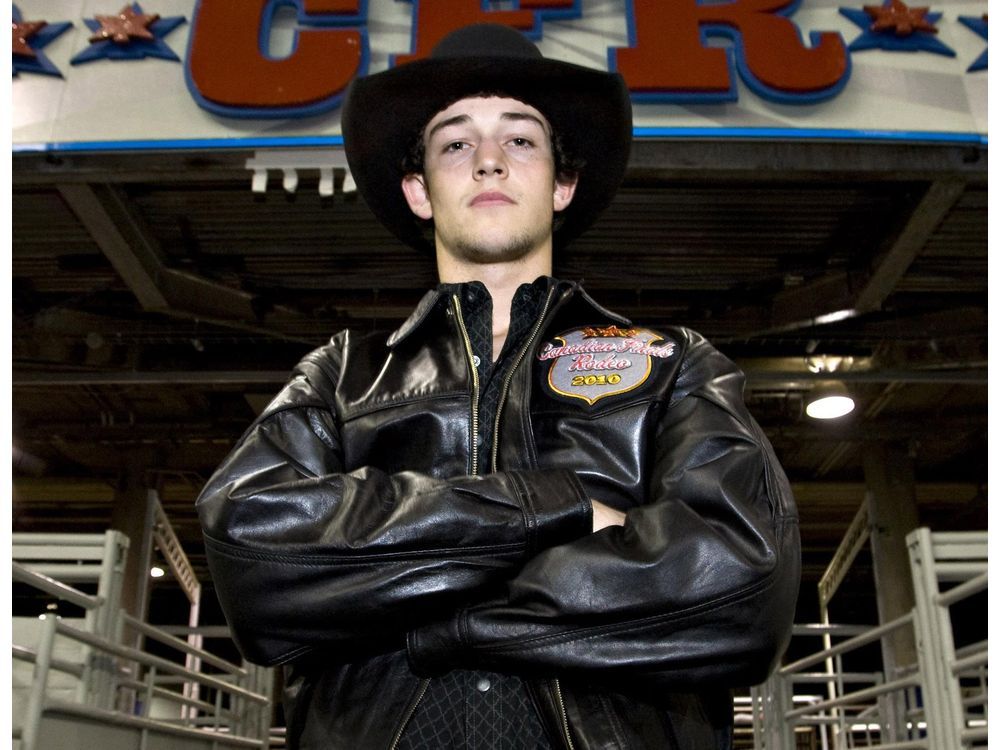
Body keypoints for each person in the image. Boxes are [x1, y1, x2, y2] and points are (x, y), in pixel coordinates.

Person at [196, 23, 800, 750]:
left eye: (520, 140)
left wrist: (438, 621)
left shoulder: (673, 362)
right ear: (419, 191)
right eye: (454, 143)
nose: (488, 160)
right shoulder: (341, 374)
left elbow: (743, 588)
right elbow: (250, 554)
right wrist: (555, 505)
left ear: (563, 183)